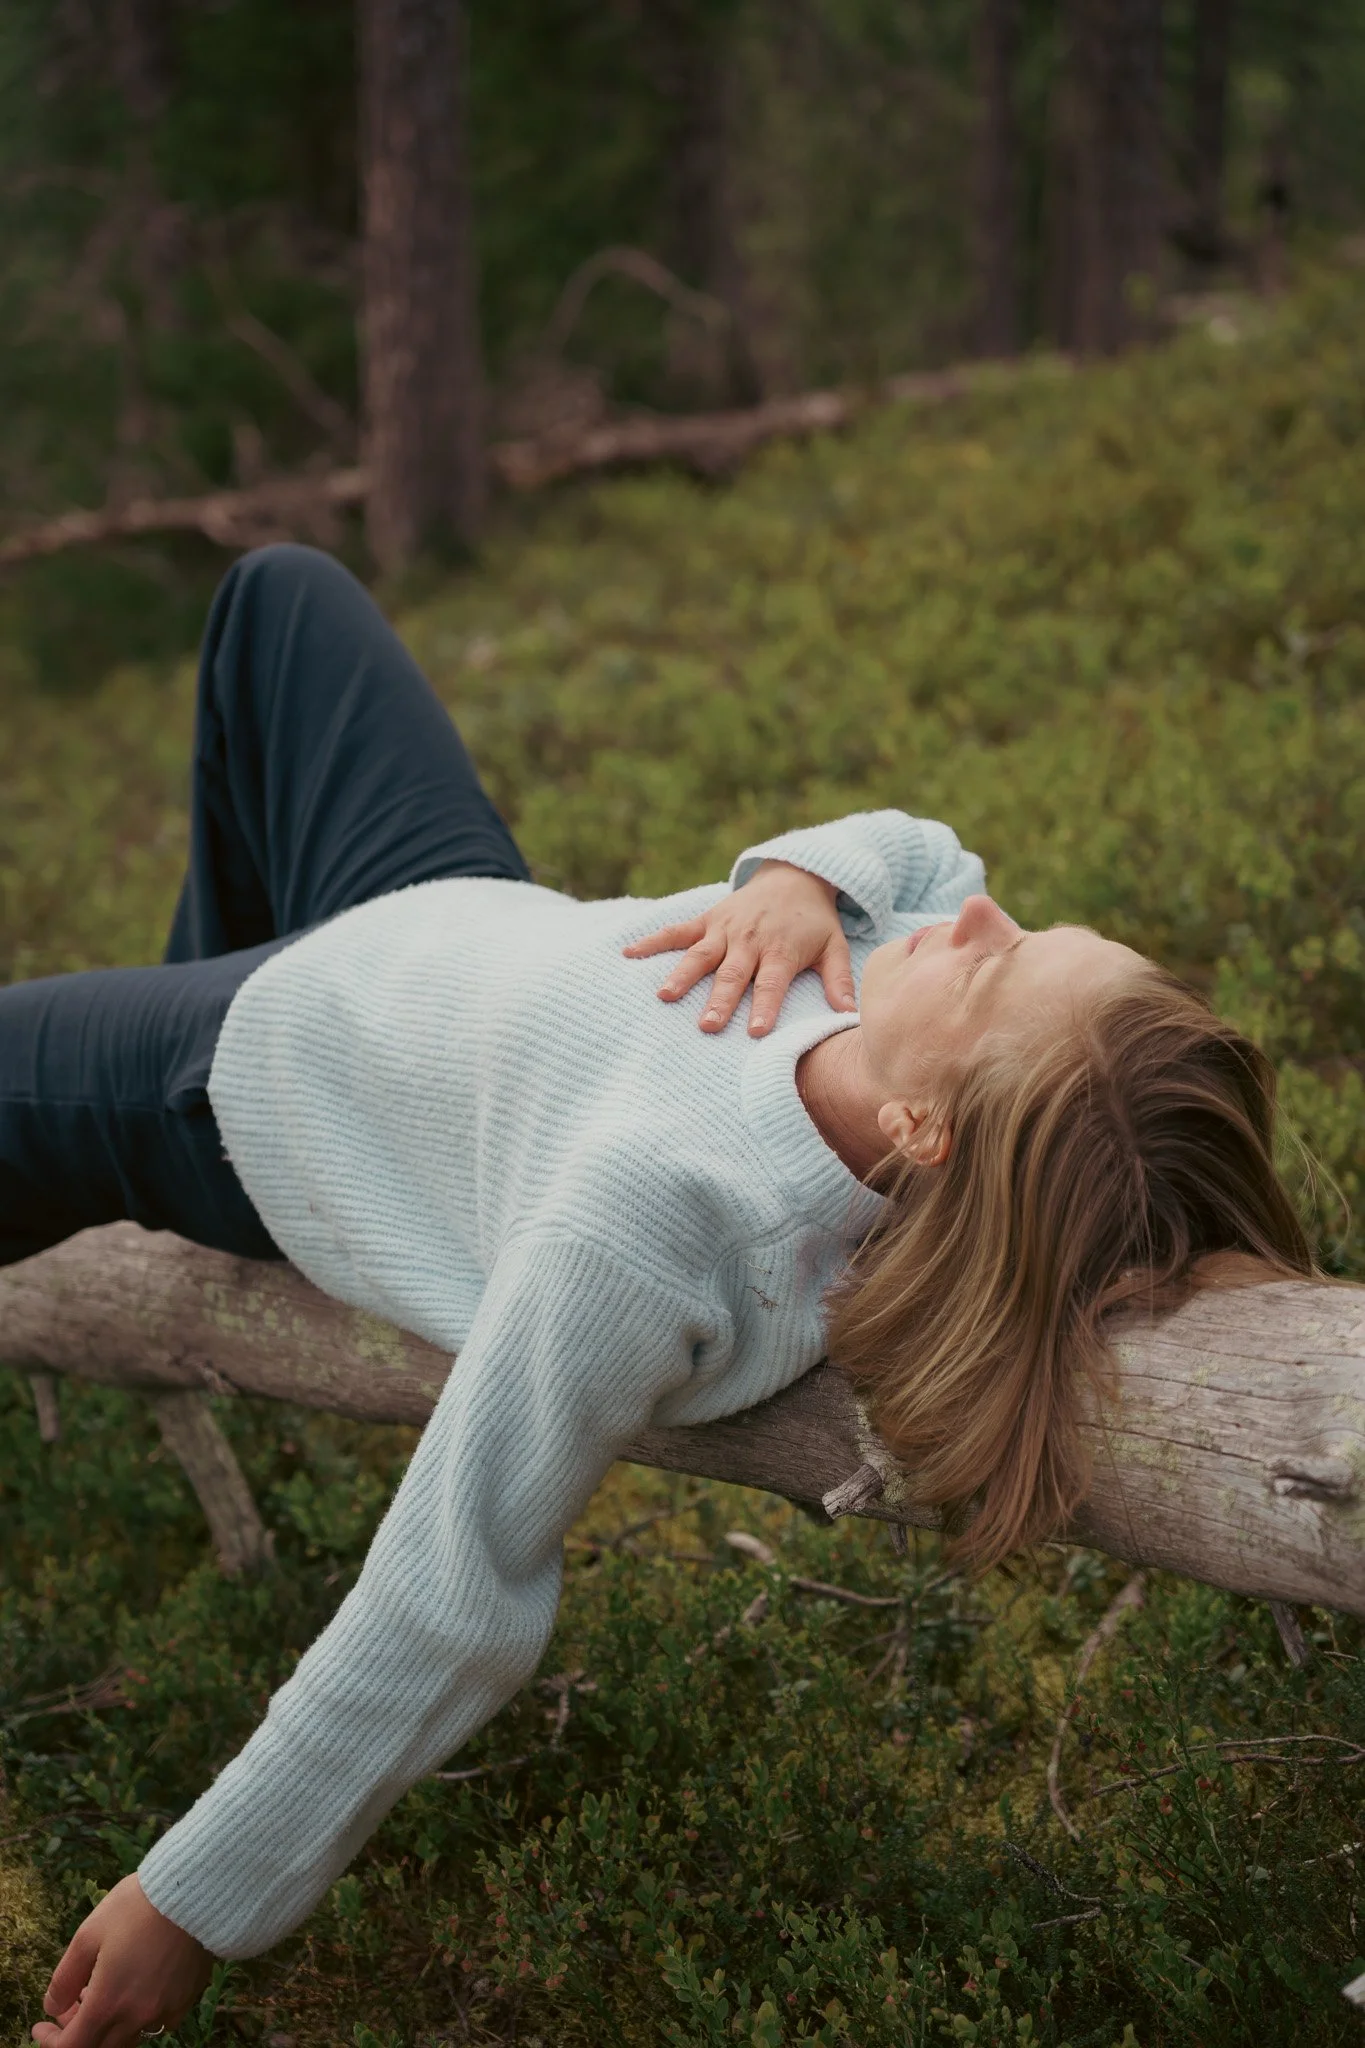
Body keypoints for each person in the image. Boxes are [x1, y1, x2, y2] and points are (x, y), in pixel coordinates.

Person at [12, 546, 1312, 2047]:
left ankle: (138, 1084)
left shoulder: (653, 1228)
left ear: (929, 1138)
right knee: (276, 600)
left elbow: (452, 1591)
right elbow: (928, 852)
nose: (974, 920)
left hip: (256, 1068)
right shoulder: (899, 994)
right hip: (438, 902)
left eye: (996, 968)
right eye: (1022, 931)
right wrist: (795, 875)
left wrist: (192, 1901)